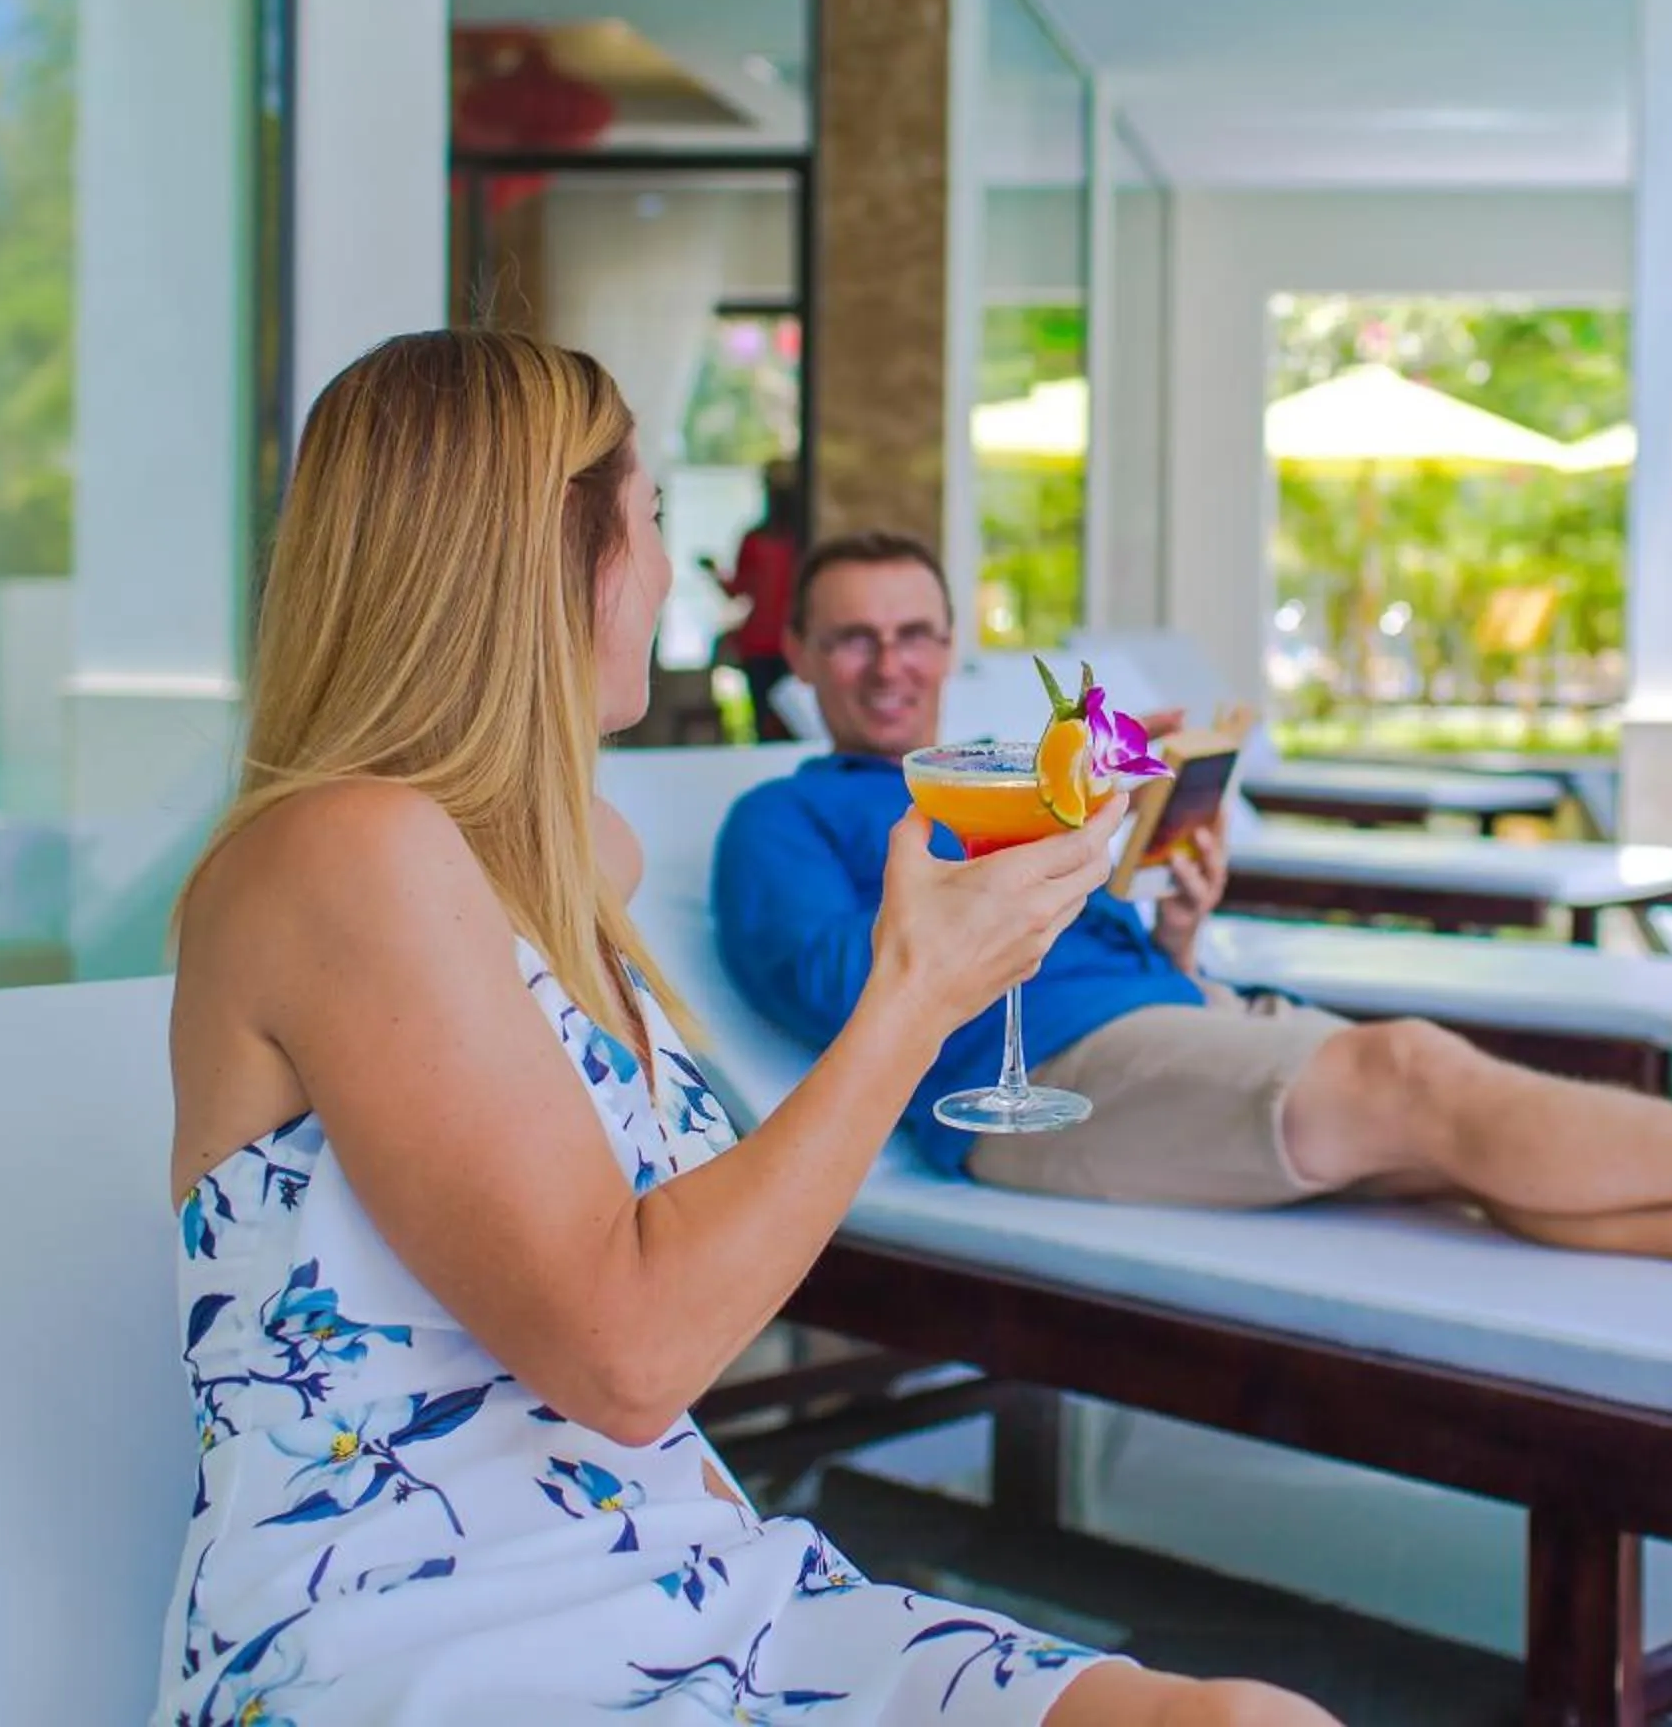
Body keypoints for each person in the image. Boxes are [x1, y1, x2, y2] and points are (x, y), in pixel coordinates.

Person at [165, 332, 1328, 1726]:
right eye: (650, 519)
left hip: (681, 1577)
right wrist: (917, 996)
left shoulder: (573, 868)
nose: (666, 573)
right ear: (544, 558)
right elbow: (629, 1357)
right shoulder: (343, 854)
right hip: (432, 1629)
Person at [719, 533, 1672, 1315]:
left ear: (954, 644)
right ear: (797, 657)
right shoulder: (783, 821)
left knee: (1463, 1152)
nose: (890, 664)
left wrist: (1172, 921)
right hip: (1037, 1100)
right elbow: (852, 989)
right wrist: (1033, 875)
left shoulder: (1015, 770)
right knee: (1417, 1072)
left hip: (1177, 1027)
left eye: (915, 632)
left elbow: (1085, 953)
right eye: (850, 640)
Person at [700, 462, 802, 742]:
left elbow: (737, 591)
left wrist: (714, 572)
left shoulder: (757, 540)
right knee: (794, 727)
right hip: (788, 643)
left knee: (766, 726)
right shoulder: (800, 541)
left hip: (764, 643)